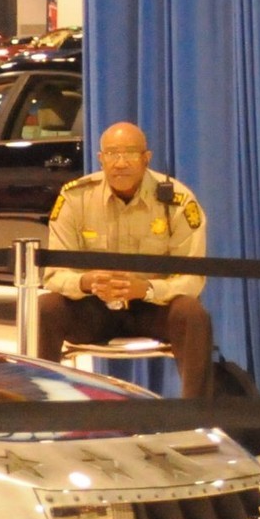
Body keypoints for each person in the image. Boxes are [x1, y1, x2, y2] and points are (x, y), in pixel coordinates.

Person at [36, 120, 212, 398]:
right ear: (100, 159)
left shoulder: (178, 201)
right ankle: (43, 409)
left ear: (146, 158)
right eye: (112, 154)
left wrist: (148, 289)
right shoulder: (75, 198)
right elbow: (54, 275)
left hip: (152, 307)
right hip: (95, 308)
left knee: (192, 313)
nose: (120, 163)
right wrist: (86, 282)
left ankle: (195, 419)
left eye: (129, 153)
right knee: (46, 307)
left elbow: (193, 279)